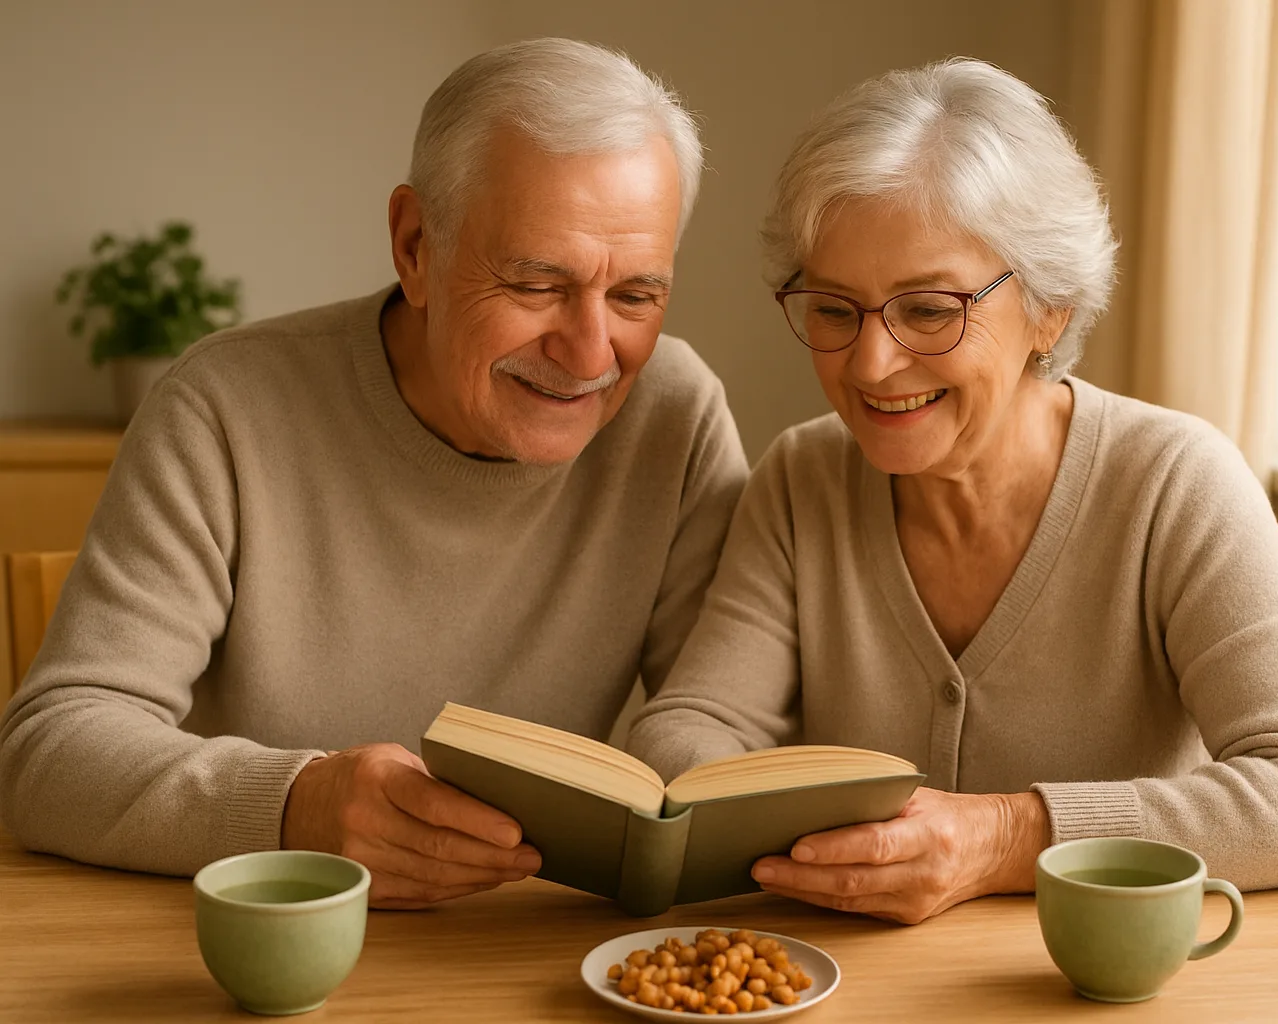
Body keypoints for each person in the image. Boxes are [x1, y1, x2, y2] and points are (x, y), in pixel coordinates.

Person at [0, 39, 748, 909]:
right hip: (252, 943)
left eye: (634, 297)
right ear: (416, 245)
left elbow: (726, 724)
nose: (589, 354)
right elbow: (49, 752)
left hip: (521, 946)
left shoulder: (675, 417)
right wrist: (296, 804)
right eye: (537, 284)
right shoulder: (223, 406)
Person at [626, 58, 1278, 924]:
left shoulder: (1175, 482)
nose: (871, 364)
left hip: (1104, 983)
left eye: (929, 309)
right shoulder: (803, 478)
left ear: (1050, 308)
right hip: (862, 981)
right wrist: (814, 827)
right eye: (834, 309)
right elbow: (685, 729)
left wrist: (1002, 836)